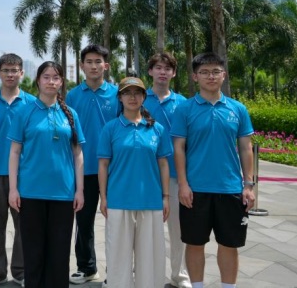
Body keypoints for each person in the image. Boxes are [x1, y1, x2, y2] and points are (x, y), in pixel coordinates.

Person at [171, 53, 255, 288]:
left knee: (229, 244)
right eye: (205, 72)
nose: (211, 76)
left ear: (223, 75)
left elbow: (246, 148)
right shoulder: (185, 109)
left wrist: (249, 185)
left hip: (230, 188)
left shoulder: (237, 109)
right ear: (195, 76)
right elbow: (178, 148)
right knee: (194, 243)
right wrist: (183, 184)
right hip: (195, 190)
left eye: (216, 71)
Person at [8, 61, 85, 288]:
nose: (51, 81)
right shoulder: (25, 112)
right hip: (31, 193)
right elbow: (14, 152)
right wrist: (13, 189)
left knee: (59, 254)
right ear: (38, 80)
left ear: (62, 82)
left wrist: (80, 190)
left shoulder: (70, 114)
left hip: (63, 193)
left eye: (56, 77)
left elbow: (78, 153)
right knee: (33, 253)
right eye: (46, 77)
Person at [98, 77, 172, 288]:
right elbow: (103, 164)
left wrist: (166, 197)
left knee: (150, 257)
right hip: (119, 200)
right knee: (118, 257)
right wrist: (104, 197)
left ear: (144, 97)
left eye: (137, 92)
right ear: (120, 97)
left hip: (150, 200)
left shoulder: (156, 129)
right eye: (127, 93)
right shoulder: (111, 128)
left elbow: (163, 164)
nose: (132, 97)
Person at [0, 53, 35, 288]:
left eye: (14, 70)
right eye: (6, 70)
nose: (10, 74)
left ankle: (21, 272)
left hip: (25, 173)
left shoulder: (32, 103)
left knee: (24, 225)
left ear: (21, 73)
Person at [65, 44, 118, 284]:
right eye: (89, 62)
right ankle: (87, 268)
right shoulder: (73, 96)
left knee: (115, 222)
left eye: (98, 61)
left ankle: (116, 271)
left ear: (106, 65)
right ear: (82, 65)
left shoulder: (117, 94)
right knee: (83, 221)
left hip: (114, 168)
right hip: (83, 169)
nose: (94, 66)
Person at [143, 53, 191, 288]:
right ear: (150, 71)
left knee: (177, 228)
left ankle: (179, 275)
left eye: (167, 68)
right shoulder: (139, 100)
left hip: (174, 174)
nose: (162, 72)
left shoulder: (183, 103)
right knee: (145, 229)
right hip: (144, 175)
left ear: (174, 73)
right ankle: (145, 274)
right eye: (158, 67)